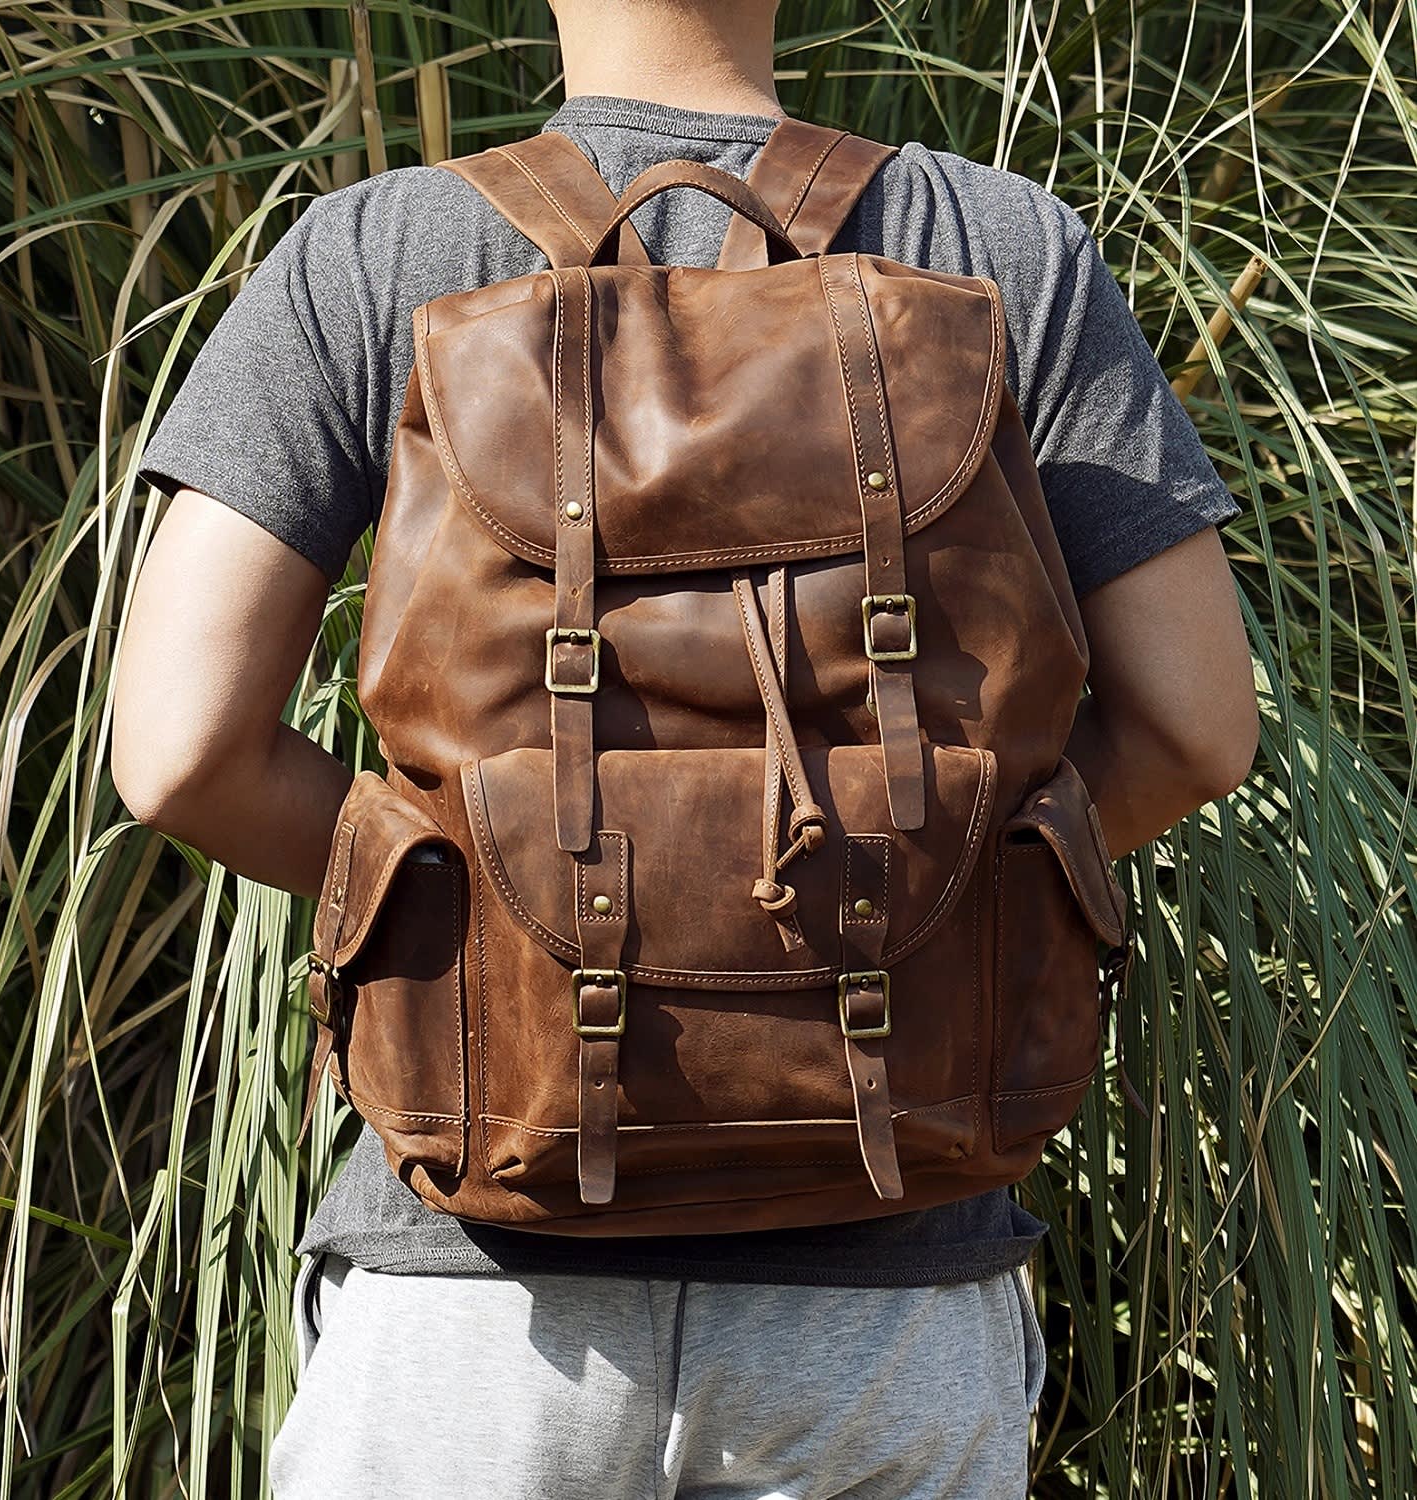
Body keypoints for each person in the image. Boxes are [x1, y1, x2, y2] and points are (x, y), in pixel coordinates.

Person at [112, 1, 1259, 1495]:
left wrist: (461, 885)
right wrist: (944, 869)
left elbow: (178, 749)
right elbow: (1195, 726)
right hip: (888, 1307)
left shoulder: (370, 252)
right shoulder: (999, 243)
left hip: (482, 1293)